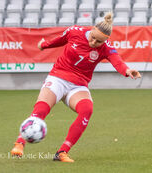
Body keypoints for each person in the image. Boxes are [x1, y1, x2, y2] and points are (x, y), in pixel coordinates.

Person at [11, 12, 141, 163]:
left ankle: (62, 152)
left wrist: (127, 71)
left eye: (98, 42)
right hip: (58, 77)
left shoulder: (106, 47)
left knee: (87, 110)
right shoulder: (75, 32)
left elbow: (117, 61)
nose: (94, 42)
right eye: (93, 37)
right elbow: (59, 40)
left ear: (105, 41)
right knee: (41, 109)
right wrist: (44, 45)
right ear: (91, 29)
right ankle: (19, 143)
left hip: (78, 85)